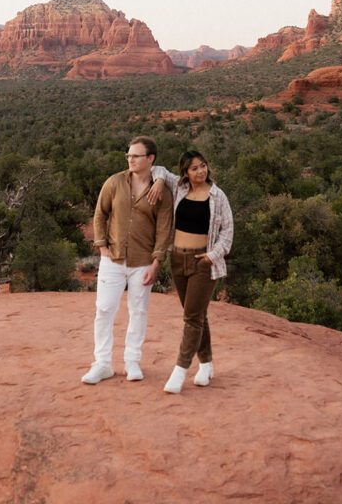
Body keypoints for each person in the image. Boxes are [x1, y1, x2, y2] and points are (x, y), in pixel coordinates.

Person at [81, 135, 173, 385]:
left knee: (139, 311)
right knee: (104, 309)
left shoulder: (161, 189)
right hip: (113, 259)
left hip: (143, 261)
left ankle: (132, 361)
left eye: (136, 155)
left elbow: (165, 228)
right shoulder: (114, 182)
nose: (130, 159)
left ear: (150, 159)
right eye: (128, 155)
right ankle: (102, 364)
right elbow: (100, 214)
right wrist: (101, 248)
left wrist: (157, 262)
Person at [149, 149, 233, 394]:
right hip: (178, 259)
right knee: (196, 315)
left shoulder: (218, 196)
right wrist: (161, 181)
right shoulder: (180, 188)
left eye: (204, 165)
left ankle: (180, 370)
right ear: (185, 172)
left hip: (202, 263)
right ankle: (206, 364)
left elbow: (227, 233)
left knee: (191, 318)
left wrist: (211, 256)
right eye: (194, 168)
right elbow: (158, 169)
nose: (201, 171)